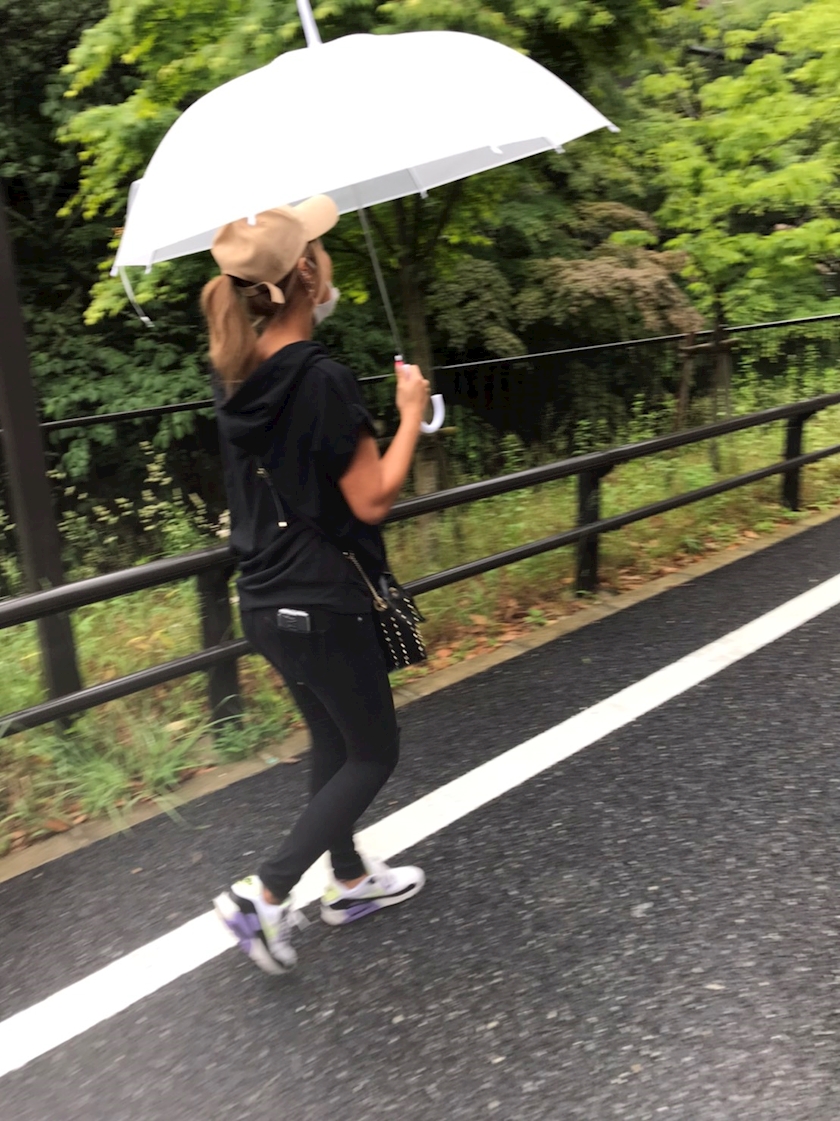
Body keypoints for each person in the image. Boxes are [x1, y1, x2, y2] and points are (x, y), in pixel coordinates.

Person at [203, 195, 431, 976]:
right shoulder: (323, 378)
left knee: (334, 741)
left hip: (266, 599)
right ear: (306, 273)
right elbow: (371, 498)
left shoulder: (233, 377)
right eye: (319, 251)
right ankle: (264, 894)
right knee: (373, 752)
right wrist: (410, 414)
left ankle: (350, 880)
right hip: (325, 600)